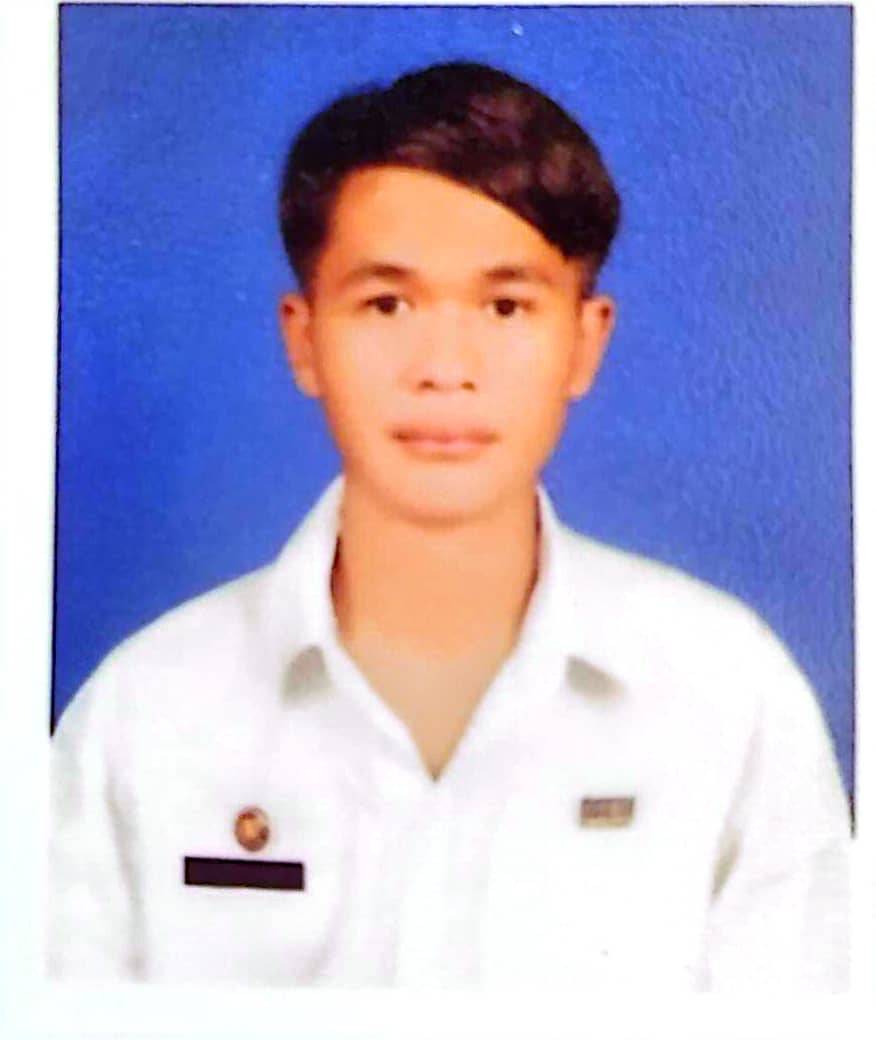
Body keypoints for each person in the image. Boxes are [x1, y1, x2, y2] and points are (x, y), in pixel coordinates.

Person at [49, 61, 850, 989]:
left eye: (506, 306)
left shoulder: (730, 695)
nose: (445, 368)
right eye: (387, 304)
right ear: (303, 338)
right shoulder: (143, 713)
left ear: (585, 341)